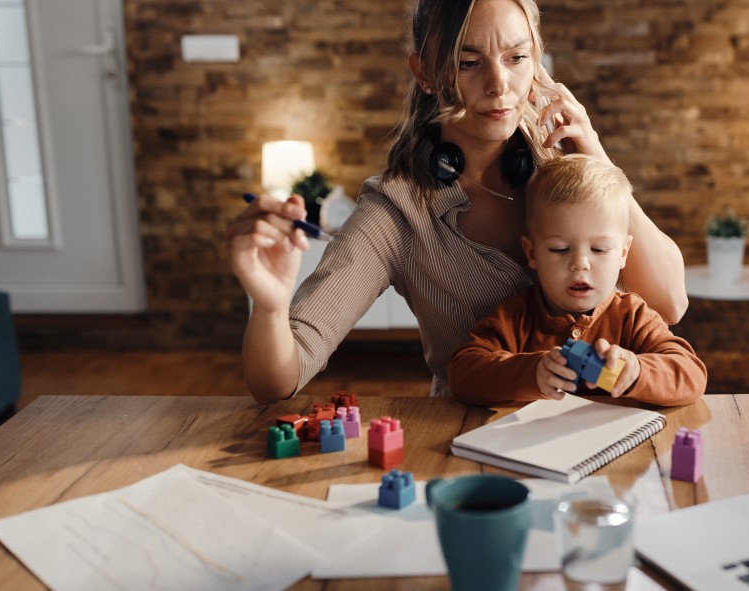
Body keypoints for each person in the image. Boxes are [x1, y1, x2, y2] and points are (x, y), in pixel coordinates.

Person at [225, 0, 688, 403]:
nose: (499, 85)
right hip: (475, 442)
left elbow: (668, 304)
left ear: (537, 64)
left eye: (516, 57)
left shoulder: (566, 166)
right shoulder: (396, 213)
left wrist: (600, 163)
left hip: (604, 428)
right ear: (425, 72)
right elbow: (277, 382)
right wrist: (269, 305)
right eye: (469, 63)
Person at [448, 154, 707, 406]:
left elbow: (691, 375)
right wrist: (532, 372)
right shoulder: (515, 317)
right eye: (560, 249)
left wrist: (637, 370)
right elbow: (462, 373)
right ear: (532, 252)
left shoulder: (632, 316)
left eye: (599, 250)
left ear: (623, 253)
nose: (580, 263)